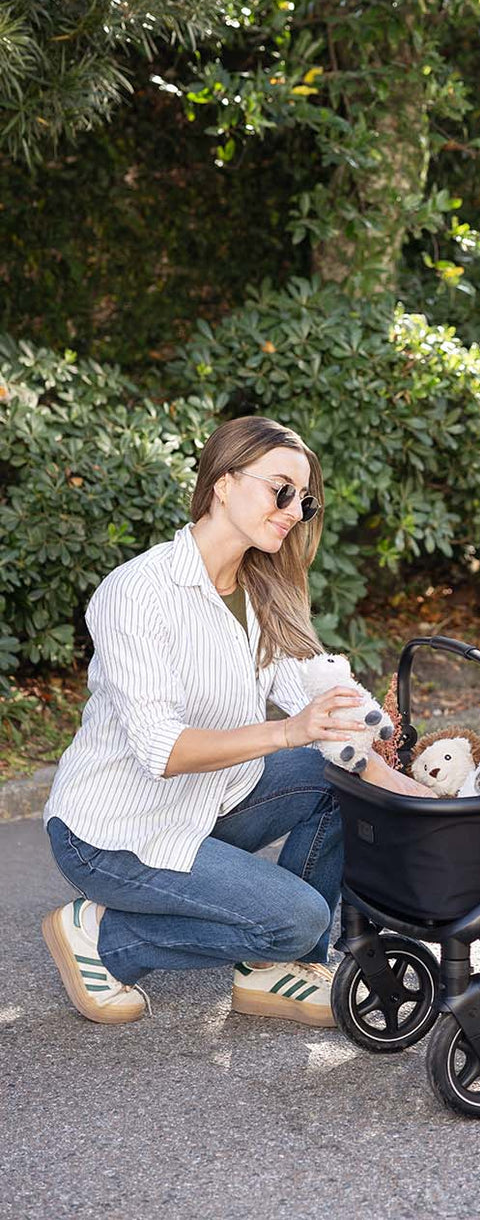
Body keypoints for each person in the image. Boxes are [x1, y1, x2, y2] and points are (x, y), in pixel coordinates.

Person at [41, 414, 435, 1029]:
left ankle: (279, 968)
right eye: (281, 490)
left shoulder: (259, 587)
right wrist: (287, 732)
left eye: (304, 500)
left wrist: (390, 764)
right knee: (299, 916)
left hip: (206, 806)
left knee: (340, 782)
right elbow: (162, 750)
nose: (294, 511)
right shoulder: (137, 592)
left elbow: (311, 689)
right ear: (223, 483)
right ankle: (106, 936)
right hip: (112, 836)